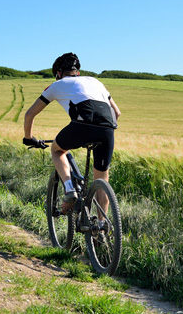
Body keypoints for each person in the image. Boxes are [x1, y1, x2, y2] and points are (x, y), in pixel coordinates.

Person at [23, 52, 121, 213]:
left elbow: (29, 114)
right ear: (78, 72)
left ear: (58, 74)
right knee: (102, 179)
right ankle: (101, 230)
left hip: (82, 126)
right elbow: (117, 113)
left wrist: (29, 138)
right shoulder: (95, 81)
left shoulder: (57, 84)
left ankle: (69, 189)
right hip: (108, 129)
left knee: (57, 149)